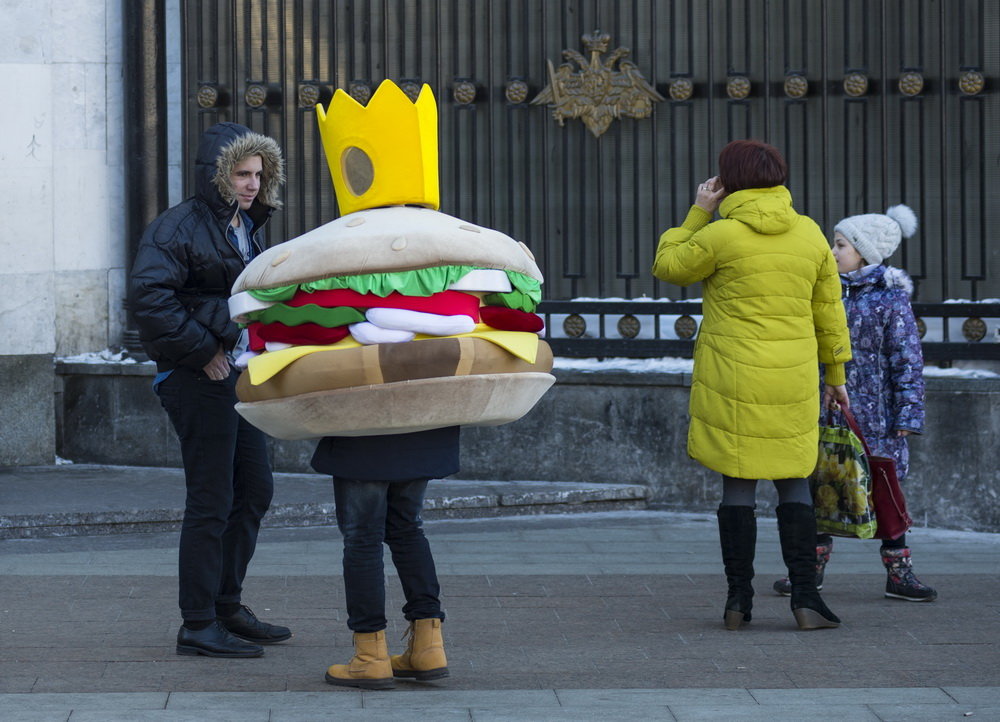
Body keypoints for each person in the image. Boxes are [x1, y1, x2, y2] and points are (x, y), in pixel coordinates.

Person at [652, 140, 852, 631]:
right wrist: (836, 376)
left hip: (733, 377)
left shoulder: (722, 236)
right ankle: (806, 599)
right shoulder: (809, 235)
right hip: (793, 378)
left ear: (728, 182)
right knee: (794, 484)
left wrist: (698, 212)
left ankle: (738, 601)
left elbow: (668, 266)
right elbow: (829, 313)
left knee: (737, 487)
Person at [128, 122, 291, 657]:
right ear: (217, 174)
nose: (251, 184)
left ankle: (225, 606)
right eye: (242, 174)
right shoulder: (177, 227)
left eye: (258, 174)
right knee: (212, 499)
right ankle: (197, 623)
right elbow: (149, 300)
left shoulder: (244, 224)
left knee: (255, 491)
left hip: (235, 375)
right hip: (195, 376)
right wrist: (205, 350)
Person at [772, 205, 937, 602]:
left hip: (875, 421)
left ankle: (899, 573)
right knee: (819, 489)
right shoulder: (823, 291)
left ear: (863, 253)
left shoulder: (890, 301)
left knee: (885, 495)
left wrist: (908, 414)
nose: (832, 250)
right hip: (823, 412)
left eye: (841, 245)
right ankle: (808, 574)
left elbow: (907, 360)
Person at [313, 427, 457, 689]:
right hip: (423, 424)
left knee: (363, 538)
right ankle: (429, 648)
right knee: (408, 529)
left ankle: (371, 656)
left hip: (367, 428)